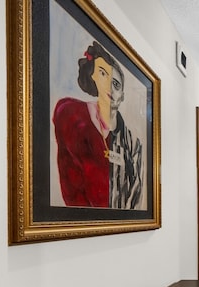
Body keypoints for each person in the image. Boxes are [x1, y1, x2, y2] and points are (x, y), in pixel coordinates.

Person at [53, 41, 143, 209]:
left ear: (122, 96)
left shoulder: (132, 143)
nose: (109, 86)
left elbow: (136, 194)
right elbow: (69, 177)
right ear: (93, 76)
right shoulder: (72, 116)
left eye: (116, 84)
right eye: (103, 74)